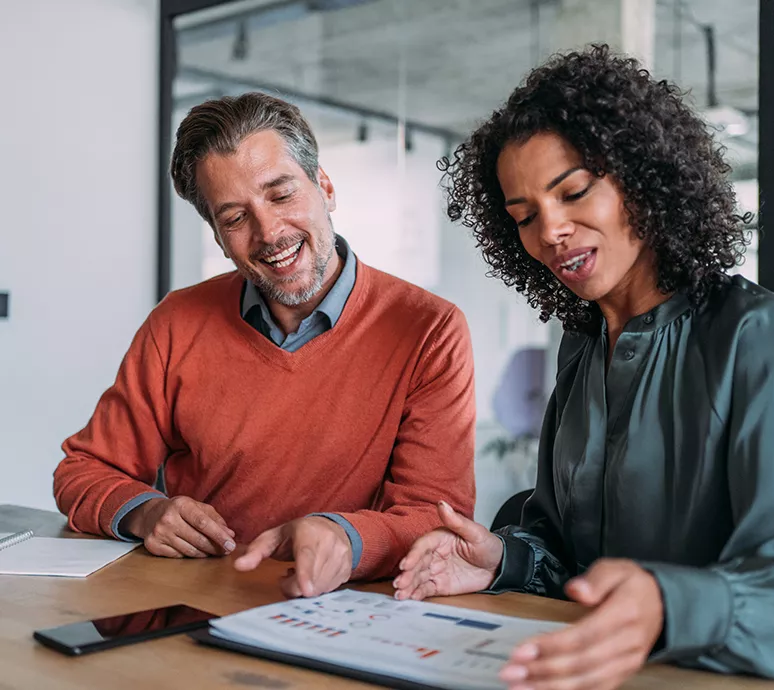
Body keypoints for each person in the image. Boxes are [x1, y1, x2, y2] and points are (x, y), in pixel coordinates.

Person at [393, 45, 774, 688]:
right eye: (524, 216)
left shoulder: (753, 333)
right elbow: (565, 552)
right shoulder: (580, 344)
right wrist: (500, 560)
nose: (550, 230)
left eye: (574, 191)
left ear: (640, 176)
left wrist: (665, 604)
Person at [53, 92, 476, 599]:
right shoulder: (176, 322)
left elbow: (437, 514)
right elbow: (82, 470)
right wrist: (145, 512)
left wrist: (346, 536)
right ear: (216, 235)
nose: (269, 232)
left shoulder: (430, 329)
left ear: (325, 186)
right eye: (234, 217)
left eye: (281, 195)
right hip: (190, 607)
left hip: (346, 610)